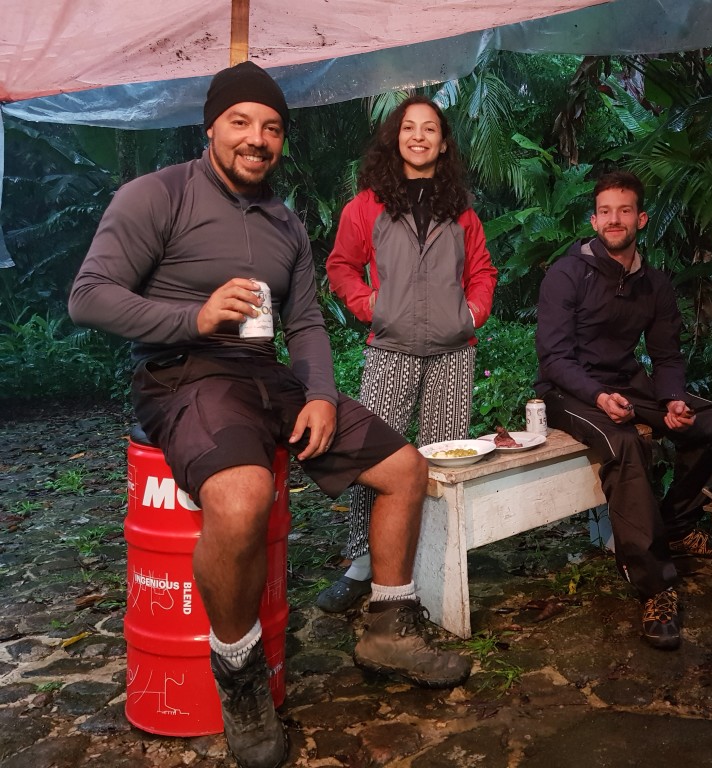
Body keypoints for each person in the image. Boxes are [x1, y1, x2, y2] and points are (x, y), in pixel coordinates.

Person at [68, 62, 471, 768]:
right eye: (242, 122)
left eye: (272, 127)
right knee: (244, 496)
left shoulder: (285, 223)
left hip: (269, 378)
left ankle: (388, 625)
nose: (258, 138)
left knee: (404, 468)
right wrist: (191, 316)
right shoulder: (155, 196)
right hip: (185, 376)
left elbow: (307, 321)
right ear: (212, 127)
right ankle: (241, 674)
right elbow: (90, 296)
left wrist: (318, 393)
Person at [534, 170, 712, 651]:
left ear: (640, 218)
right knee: (624, 444)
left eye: (624, 210)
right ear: (593, 218)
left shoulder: (654, 283)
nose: (614, 219)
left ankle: (678, 525)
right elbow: (554, 357)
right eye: (605, 211)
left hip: (627, 381)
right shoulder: (568, 274)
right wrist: (600, 397)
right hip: (568, 390)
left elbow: (666, 356)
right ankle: (655, 586)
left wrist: (672, 400)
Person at [317, 95, 496, 613]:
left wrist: (471, 314)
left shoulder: (461, 210)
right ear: (396, 138)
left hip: (451, 353)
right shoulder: (367, 205)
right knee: (376, 460)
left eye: (430, 129)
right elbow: (341, 266)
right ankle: (361, 565)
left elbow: (483, 271)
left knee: (442, 459)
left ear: (443, 143)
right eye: (409, 128)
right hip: (390, 349)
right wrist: (368, 304)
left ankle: (432, 564)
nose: (419, 136)